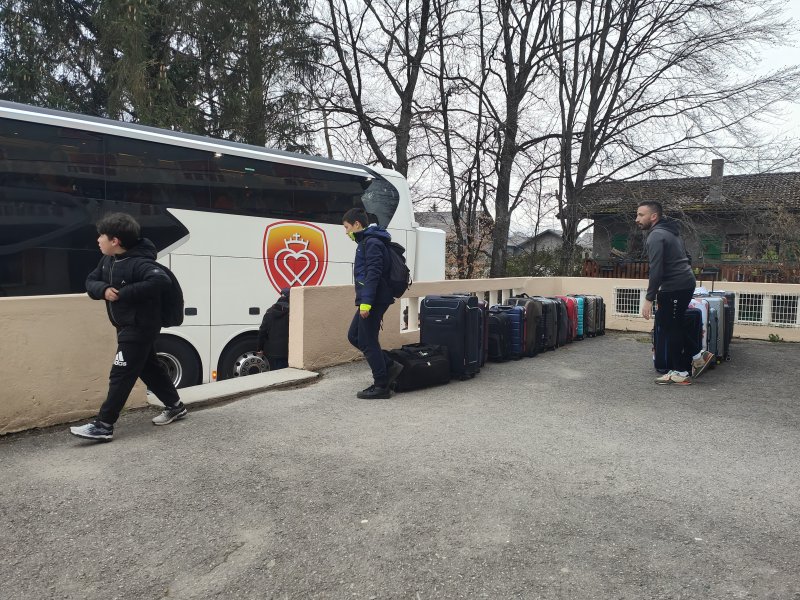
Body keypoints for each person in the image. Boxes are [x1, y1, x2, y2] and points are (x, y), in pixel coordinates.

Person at [70, 213, 187, 441]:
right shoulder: (107, 261)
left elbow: (160, 280)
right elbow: (90, 281)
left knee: (121, 372)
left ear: (115, 240)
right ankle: (175, 406)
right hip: (124, 325)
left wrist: (123, 294)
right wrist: (104, 290)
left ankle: (104, 425)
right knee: (148, 368)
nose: (98, 240)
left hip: (141, 325)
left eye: (101, 236)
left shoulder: (140, 263)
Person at [636, 201, 714, 385]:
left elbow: (656, 269)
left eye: (641, 215)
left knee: (671, 328)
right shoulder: (672, 232)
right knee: (670, 324)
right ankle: (698, 356)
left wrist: (649, 298)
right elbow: (688, 257)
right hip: (683, 284)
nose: (637, 219)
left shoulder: (656, 235)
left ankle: (680, 372)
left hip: (675, 287)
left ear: (653, 216)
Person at [342, 208, 403, 399]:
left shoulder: (372, 242)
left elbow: (373, 274)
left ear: (357, 224)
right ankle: (389, 366)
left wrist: (366, 303)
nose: (346, 232)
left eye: (347, 227)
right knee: (354, 336)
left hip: (375, 299)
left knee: (368, 341)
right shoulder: (367, 242)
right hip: (371, 298)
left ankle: (381, 385)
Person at [257, 287, 290, 370]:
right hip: (288, 351)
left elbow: (262, 331)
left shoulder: (269, 311)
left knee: (277, 372)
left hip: (273, 352)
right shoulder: (293, 311)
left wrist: (260, 348)